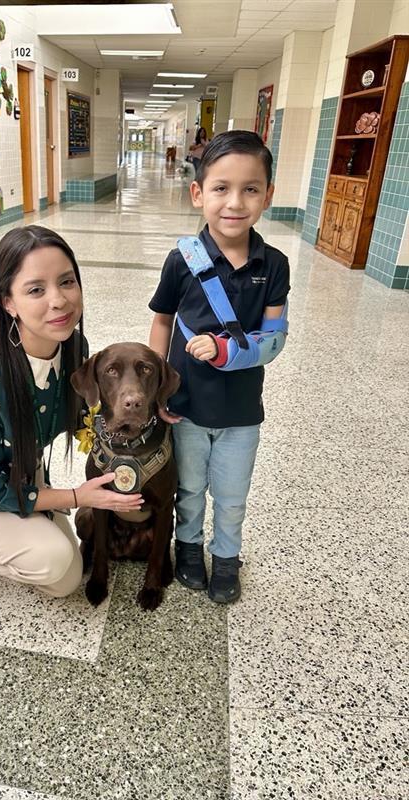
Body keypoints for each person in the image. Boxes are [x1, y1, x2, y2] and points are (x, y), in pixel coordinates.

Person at [0, 226, 142, 608]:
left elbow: (83, 416)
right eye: (36, 289)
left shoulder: (71, 346)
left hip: (18, 467)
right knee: (53, 563)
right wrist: (74, 496)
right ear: (8, 302)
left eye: (67, 282)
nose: (59, 301)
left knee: (67, 575)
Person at [148, 131, 290, 604]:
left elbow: (273, 340)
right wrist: (156, 391)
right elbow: (162, 322)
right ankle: (187, 549)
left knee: (231, 497)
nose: (235, 202)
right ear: (198, 194)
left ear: (268, 195)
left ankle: (226, 556)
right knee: (188, 490)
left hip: (241, 411)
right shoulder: (181, 261)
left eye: (251, 189)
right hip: (186, 405)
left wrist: (229, 351)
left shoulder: (275, 265)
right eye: (221, 188)